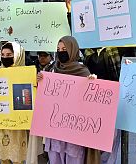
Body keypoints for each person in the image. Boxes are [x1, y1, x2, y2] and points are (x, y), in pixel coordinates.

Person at [37, 36, 97, 164]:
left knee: (73, 159)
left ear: (72, 49)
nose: (61, 52)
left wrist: (92, 84)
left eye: (64, 49)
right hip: (54, 129)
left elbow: (89, 102)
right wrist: (40, 80)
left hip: (74, 130)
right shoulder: (52, 69)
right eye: (58, 49)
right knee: (55, 158)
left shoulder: (83, 71)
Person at [0, 41, 28, 164]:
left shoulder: (26, 73)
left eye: (9, 55)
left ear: (17, 55)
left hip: (18, 120)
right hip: (1, 118)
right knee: (4, 156)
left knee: (17, 155)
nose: (5, 58)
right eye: (3, 55)